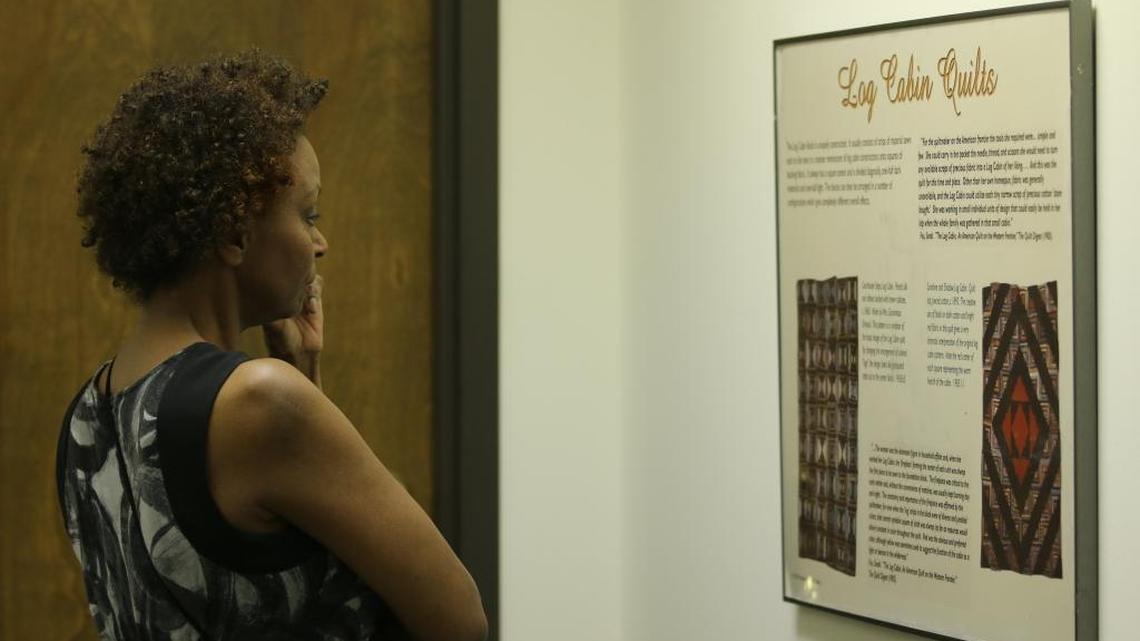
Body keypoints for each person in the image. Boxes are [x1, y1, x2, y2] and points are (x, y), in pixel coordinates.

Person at [54, 49, 487, 641]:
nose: (320, 242)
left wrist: (304, 375)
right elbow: (459, 617)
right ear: (233, 232)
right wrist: (295, 390)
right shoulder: (260, 403)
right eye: (308, 214)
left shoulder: (85, 417)